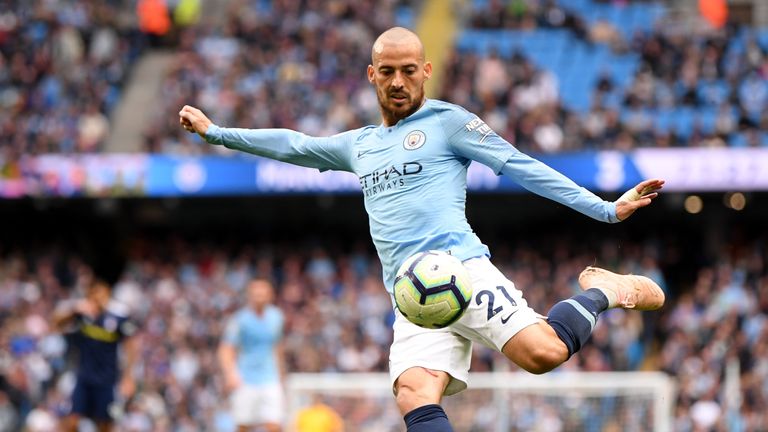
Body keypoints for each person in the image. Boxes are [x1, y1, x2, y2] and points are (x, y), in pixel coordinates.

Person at [180, 27, 666, 432]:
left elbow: (521, 166)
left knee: (544, 354)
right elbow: (295, 145)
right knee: (414, 392)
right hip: (411, 297)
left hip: (462, 273)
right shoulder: (360, 145)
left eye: (408, 71)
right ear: (372, 75)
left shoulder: (449, 122)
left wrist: (605, 209)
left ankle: (603, 290)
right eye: (387, 71)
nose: (398, 81)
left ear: (425, 72)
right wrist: (217, 132)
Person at [52, 279, 139, 432]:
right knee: (71, 421)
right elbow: (56, 323)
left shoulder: (118, 316)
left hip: (107, 380)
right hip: (84, 378)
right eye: (93, 294)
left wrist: (128, 376)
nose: (97, 299)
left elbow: (130, 346)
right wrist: (74, 310)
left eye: (101, 294)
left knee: (105, 425)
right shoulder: (83, 314)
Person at [218, 278, 286, 432]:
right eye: (256, 294)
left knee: (275, 424)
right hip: (246, 379)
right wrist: (231, 374)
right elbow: (226, 348)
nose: (259, 297)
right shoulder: (240, 319)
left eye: (263, 293)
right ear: (250, 295)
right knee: (243, 425)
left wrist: (282, 375)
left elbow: (277, 347)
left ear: (270, 295)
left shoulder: (277, 317)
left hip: (270, 378)